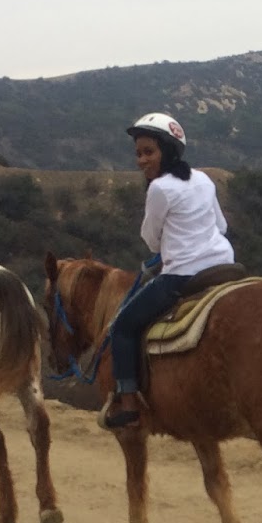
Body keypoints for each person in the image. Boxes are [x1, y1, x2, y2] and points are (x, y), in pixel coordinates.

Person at [101, 112, 235, 429]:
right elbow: (222, 225)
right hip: (224, 264)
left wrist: (168, 245)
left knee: (122, 327)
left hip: (184, 273)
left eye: (148, 151)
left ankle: (129, 401)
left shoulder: (159, 189)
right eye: (139, 153)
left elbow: (150, 240)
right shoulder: (203, 179)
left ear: (167, 151)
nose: (141, 160)